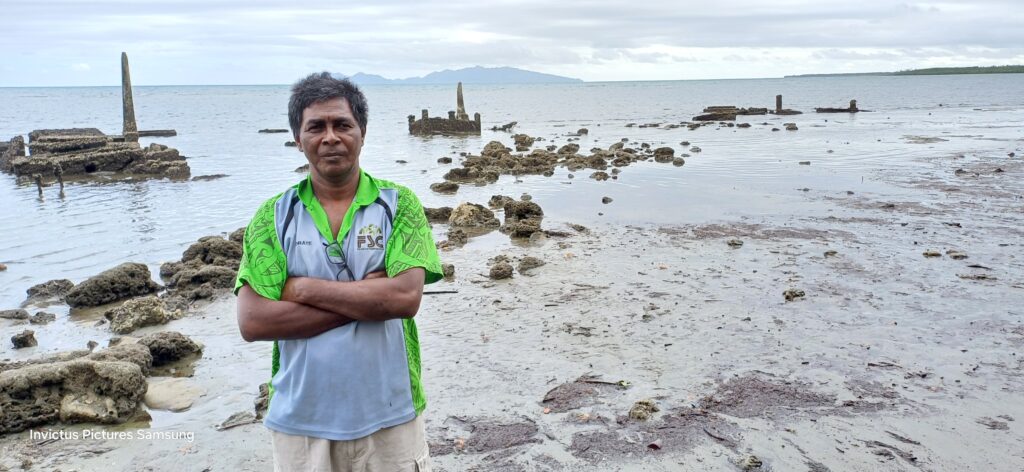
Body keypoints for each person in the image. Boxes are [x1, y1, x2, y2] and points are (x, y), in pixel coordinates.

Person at [234, 71, 443, 471]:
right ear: (298, 139)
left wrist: (302, 289)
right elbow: (254, 321)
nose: (330, 137)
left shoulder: (399, 206)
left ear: (362, 132)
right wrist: (367, 299)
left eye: (342, 124)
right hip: (301, 422)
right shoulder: (273, 217)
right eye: (316, 127)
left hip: (391, 415)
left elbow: (404, 298)